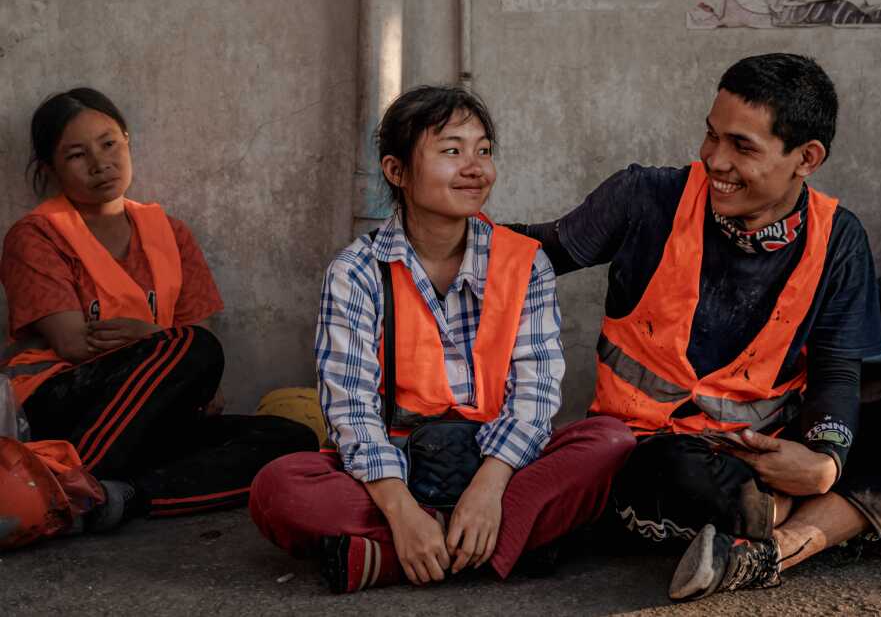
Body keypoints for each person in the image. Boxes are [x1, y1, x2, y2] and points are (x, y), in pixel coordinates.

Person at [514, 54, 881, 602]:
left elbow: (837, 369)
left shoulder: (838, 238)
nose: (715, 159)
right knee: (659, 473)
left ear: (806, 158)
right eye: (711, 136)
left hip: (780, 448)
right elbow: (536, 253)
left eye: (742, 146)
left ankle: (774, 547)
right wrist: (438, 222)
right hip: (663, 455)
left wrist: (823, 459)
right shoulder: (646, 198)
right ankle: (855, 520)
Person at [249, 85, 635, 594]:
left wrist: (489, 488)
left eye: (483, 151)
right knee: (279, 488)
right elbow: (352, 410)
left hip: (498, 463)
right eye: (452, 151)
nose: (476, 168)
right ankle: (498, 541)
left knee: (610, 444)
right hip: (401, 462)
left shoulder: (525, 263)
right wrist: (402, 510)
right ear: (396, 171)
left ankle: (390, 557)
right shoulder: (357, 271)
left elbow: (535, 398)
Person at [0, 88, 316, 532]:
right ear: (51, 169)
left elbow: (193, 346)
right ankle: (65, 480)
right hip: (63, 406)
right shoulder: (36, 236)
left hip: (148, 409)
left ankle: (119, 497)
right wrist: (159, 341)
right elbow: (74, 342)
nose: (99, 163)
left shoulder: (169, 231)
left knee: (294, 441)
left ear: (127, 140)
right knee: (196, 349)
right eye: (77, 155)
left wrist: (161, 347)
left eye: (109, 143)